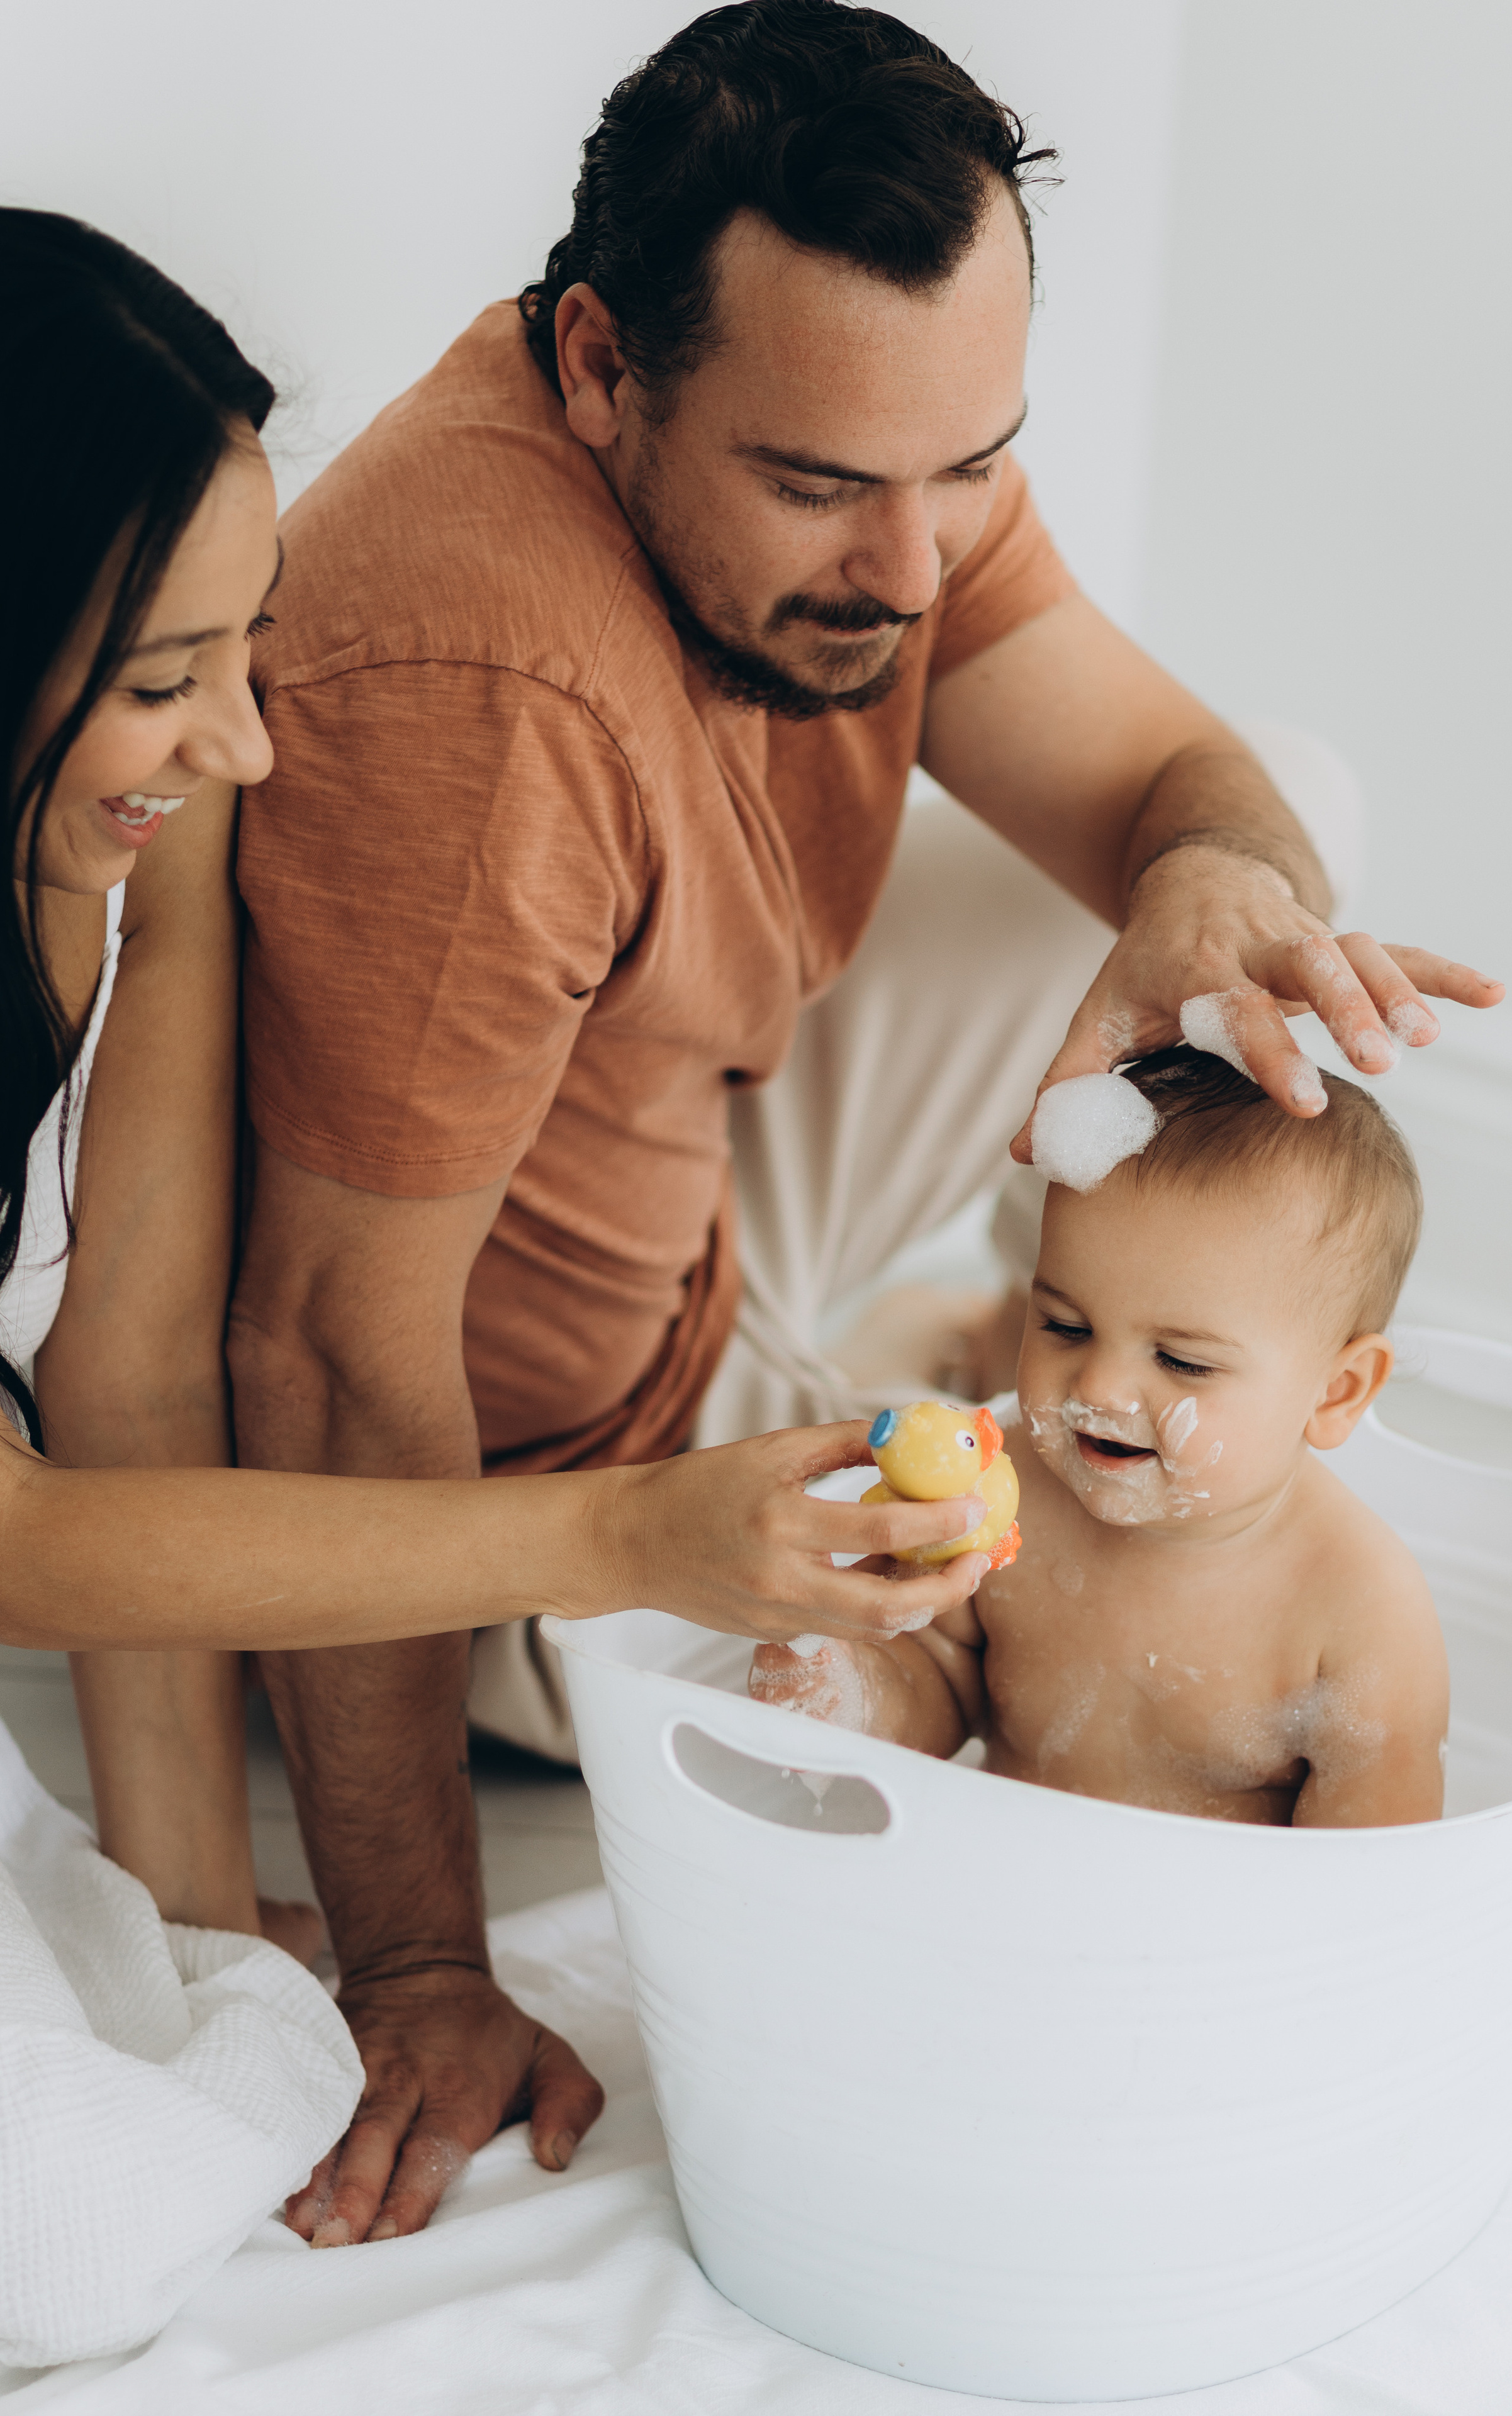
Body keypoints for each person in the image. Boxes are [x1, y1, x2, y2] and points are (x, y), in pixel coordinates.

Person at [228, 0, 1499, 2244]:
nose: (911, 570)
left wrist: (1200, 889)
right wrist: (419, 1960)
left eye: (968, 467)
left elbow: (1158, 774)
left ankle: (901, 1316)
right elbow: (327, 1363)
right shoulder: (479, 692)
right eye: (820, 490)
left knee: (1282, 811)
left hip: (676, 1133)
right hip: (532, 1472)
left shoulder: (861, 463)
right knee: (851, 1650)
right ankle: (867, 1355)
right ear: (604, 370)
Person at [0, 197, 982, 2337]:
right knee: (41, 2223)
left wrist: (187, 1939)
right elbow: (9, 1537)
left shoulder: (156, 821)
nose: (250, 744)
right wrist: (630, 1540)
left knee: (143, 2084)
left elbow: (129, 1383)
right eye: (163, 681)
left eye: (247, 641)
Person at [751, 1048, 1448, 1826]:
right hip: (1004, 1898)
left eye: (1181, 1361)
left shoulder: (1356, 1607)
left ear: (1336, 1392)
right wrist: (849, 1693)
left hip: (1218, 1944)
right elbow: (945, 1682)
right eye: (1063, 1326)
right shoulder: (1002, 1494)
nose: (1098, 1390)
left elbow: (1365, 1885)